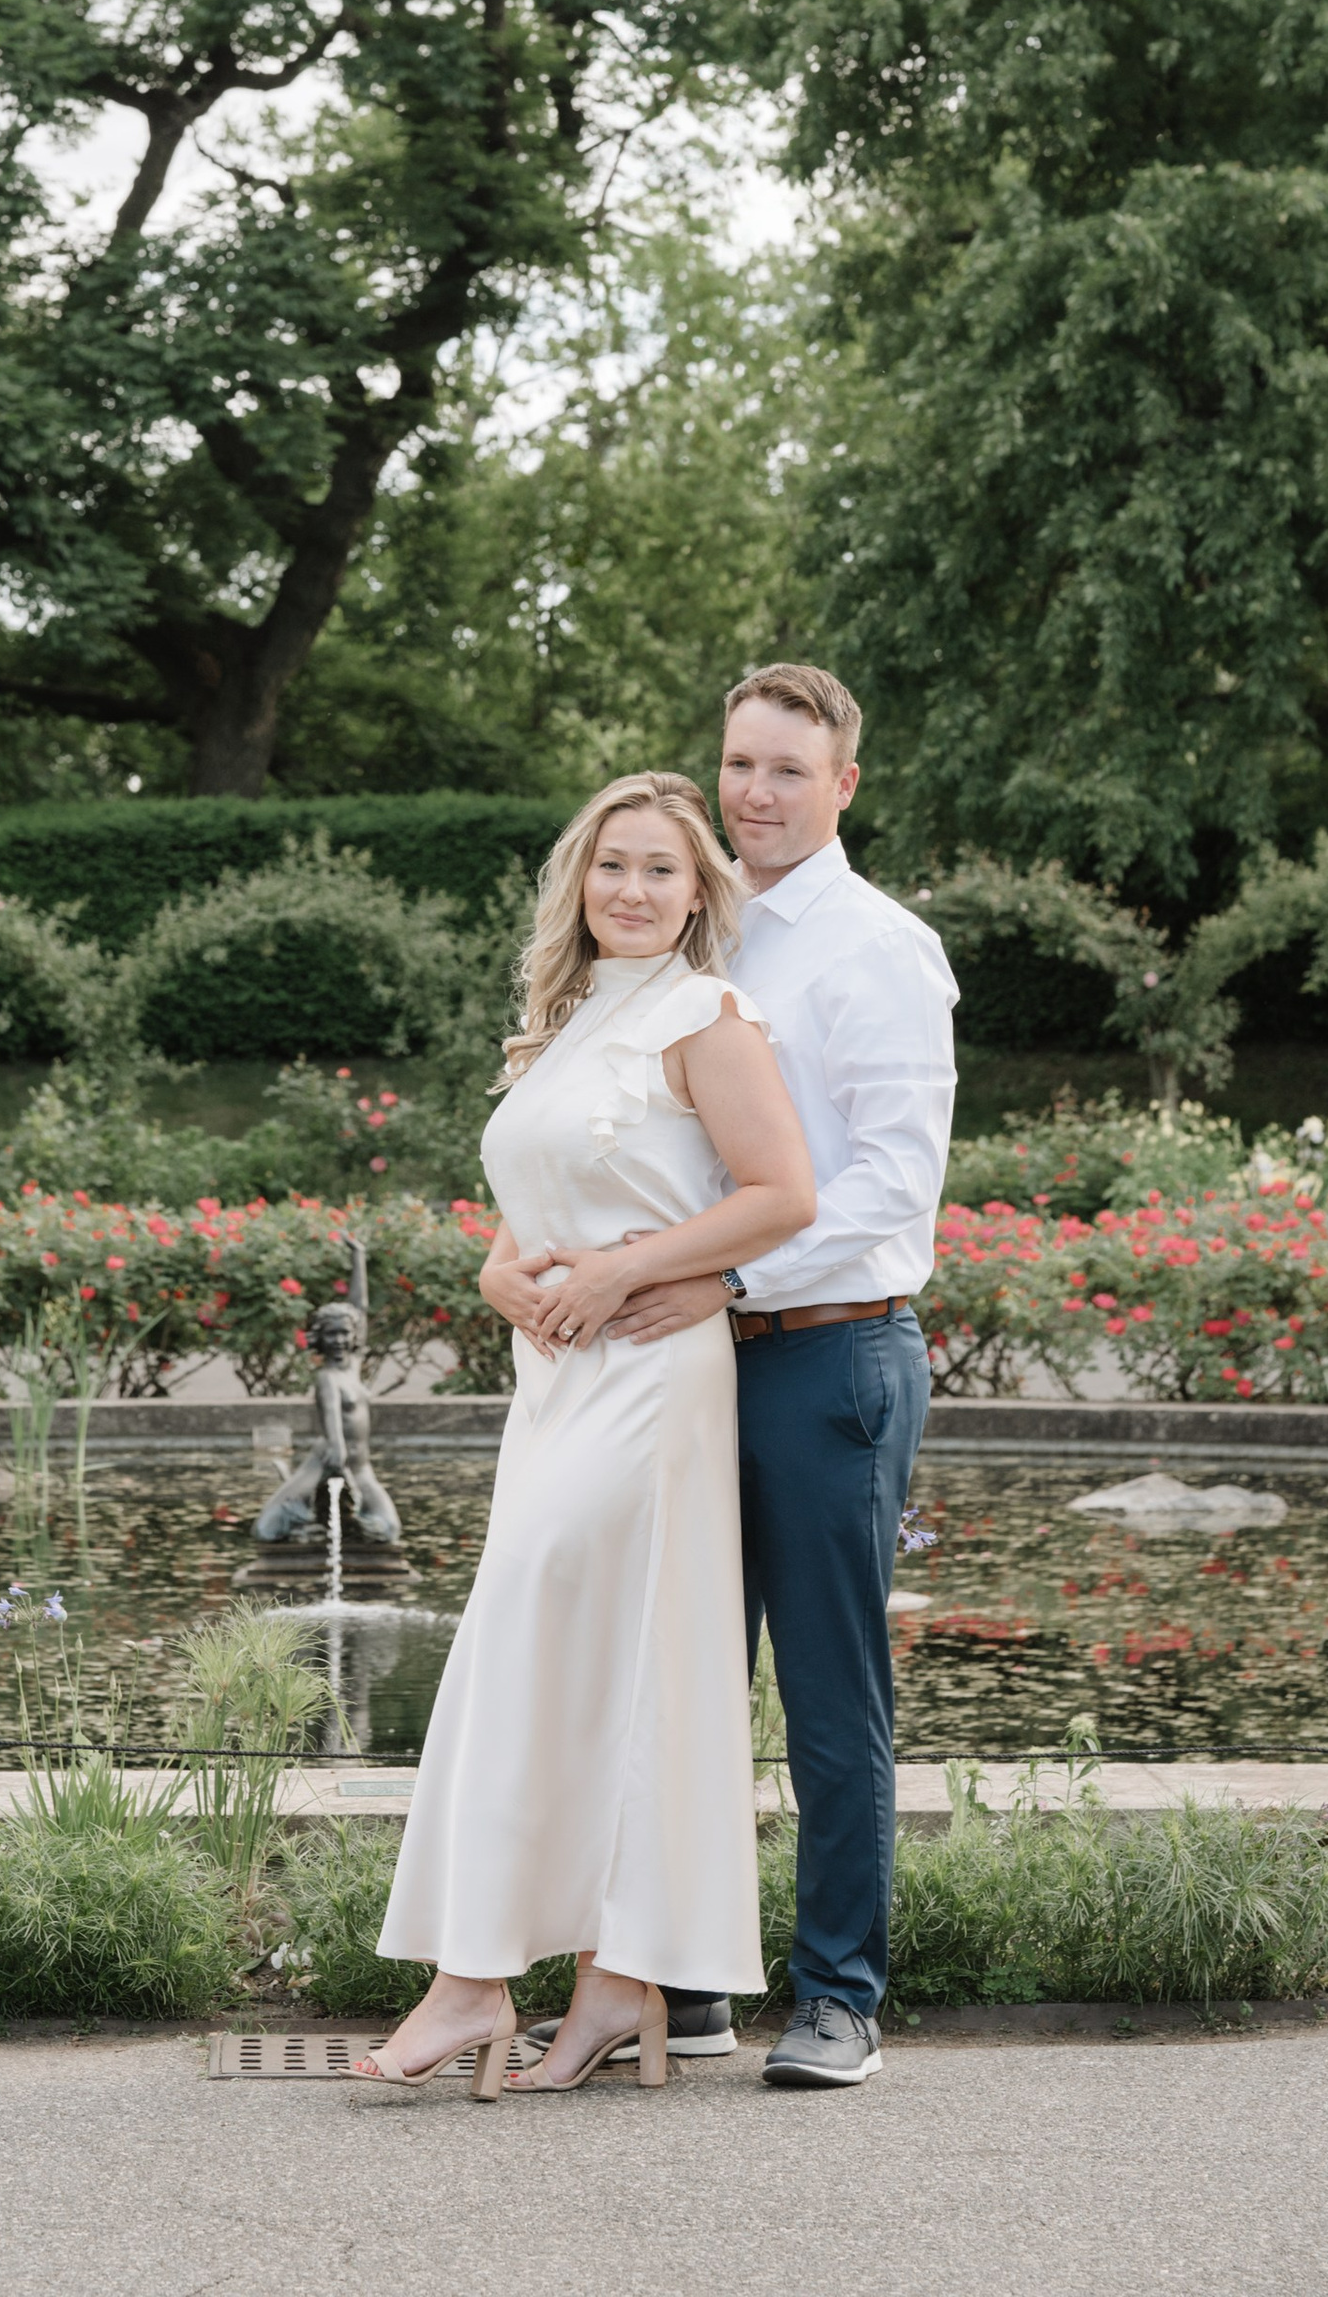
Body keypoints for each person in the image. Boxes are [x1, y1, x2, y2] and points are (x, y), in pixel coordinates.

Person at [353, 770, 817, 2099]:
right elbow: (524, 1222)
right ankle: (614, 1978)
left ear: (698, 892)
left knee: (540, 1636)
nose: (632, 889)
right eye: (613, 865)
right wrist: (507, 1280)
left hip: (655, 1379)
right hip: (552, 1385)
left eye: (662, 869)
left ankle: (471, 1981)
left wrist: (626, 1274)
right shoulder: (558, 1027)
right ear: (581, 881)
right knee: (597, 1663)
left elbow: (784, 1193)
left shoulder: (707, 1017)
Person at [604, 663, 956, 2087]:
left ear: (844, 785)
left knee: (828, 1691)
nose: (755, 793)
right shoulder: (690, 943)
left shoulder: (879, 949)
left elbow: (889, 1191)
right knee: (680, 1678)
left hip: (829, 1358)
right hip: (687, 1360)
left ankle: (838, 1997)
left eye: (788, 771)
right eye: (740, 765)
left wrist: (727, 1279)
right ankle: (688, 1984)